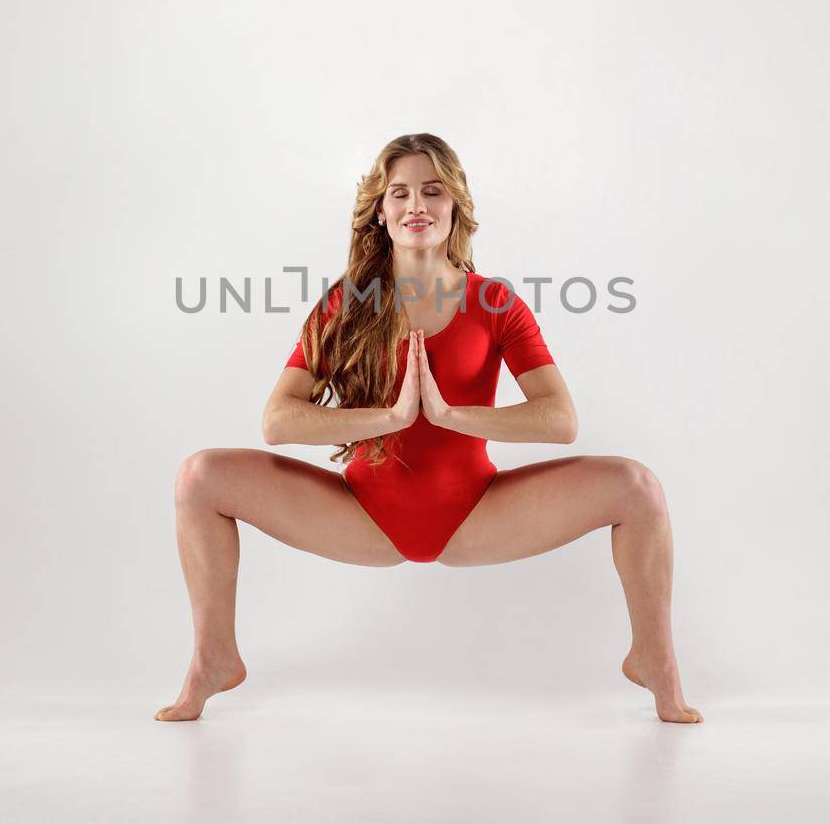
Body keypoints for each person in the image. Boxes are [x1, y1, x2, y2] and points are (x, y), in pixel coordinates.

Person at [155, 133, 702, 723]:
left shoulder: (496, 303)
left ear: (455, 206)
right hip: (362, 514)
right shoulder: (344, 305)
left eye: (432, 191)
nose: (417, 204)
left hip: (476, 511)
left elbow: (560, 419)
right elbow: (278, 421)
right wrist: (390, 418)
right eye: (401, 193)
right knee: (200, 478)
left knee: (637, 488)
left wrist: (448, 416)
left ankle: (656, 660)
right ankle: (214, 657)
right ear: (381, 213)